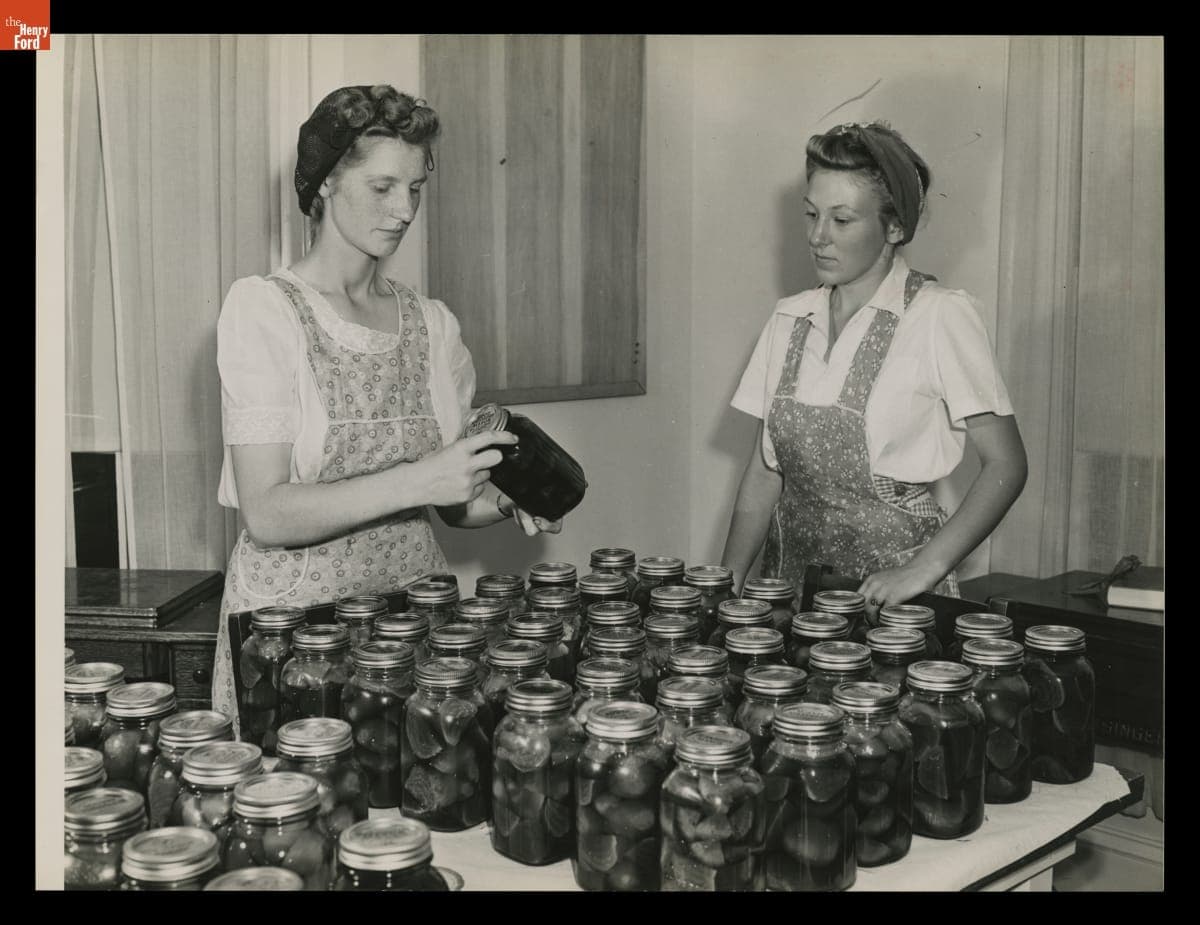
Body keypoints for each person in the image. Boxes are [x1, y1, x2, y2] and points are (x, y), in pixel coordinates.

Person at [212, 85, 561, 732]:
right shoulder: (264, 311)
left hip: (411, 628)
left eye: (416, 188)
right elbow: (267, 512)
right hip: (293, 637)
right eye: (381, 188)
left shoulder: (433, 326)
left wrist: (502, 499)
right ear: (322, 185)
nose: (404, 210)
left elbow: (452, 504)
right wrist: (421, 479)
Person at [721, 121, 1027, 622]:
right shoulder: (789, 318)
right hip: (789, 592)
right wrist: (727, 583)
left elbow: (1007, 465)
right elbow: (764, 470)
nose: (818, 237)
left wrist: (924, 570)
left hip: (895, 604)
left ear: (894, 227)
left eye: (841, 220)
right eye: (811, 215)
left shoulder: (939, 315)